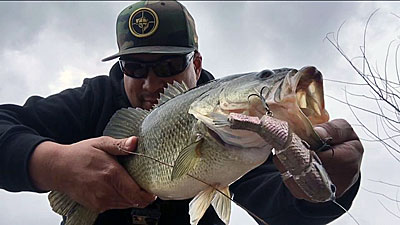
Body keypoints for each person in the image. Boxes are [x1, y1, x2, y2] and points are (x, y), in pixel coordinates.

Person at [0, 1, 363, 225]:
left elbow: (280, 208)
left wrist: (327, 188)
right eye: (134, 67)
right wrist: (52, 164)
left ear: (197, 62)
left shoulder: (243, 129)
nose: (149, 83)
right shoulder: (94, 98)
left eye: (170, 64)